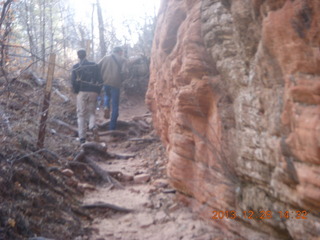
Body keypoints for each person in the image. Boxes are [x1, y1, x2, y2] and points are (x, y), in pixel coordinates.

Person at [71, 49, 103, 144]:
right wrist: (97, 91)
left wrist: (77, 91)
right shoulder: (94, 65)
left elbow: (73, 82)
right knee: (91, 112)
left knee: (81, 114)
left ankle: (82, 138)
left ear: (78, 56)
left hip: (82, 92)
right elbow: (100, 80)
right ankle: (92, 126)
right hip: (93, 91)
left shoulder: (76, 67)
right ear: (86, 55)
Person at [98, 46, 127, 130]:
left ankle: (106, 106)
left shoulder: (105, 58)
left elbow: (97, 66)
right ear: (119, 52)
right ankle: (112, 128)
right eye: (122, 51)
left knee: (107, 95)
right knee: (115, 105)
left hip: (106, 82)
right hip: (116, 83)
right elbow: (125, 72)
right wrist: (122, 80)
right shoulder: (123, 60)